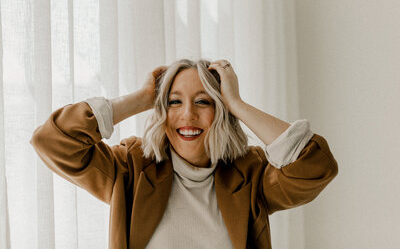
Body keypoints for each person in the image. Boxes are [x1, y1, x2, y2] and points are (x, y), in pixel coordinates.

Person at [30, 58, 338, 249]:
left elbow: (314, 165)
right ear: (161, 111)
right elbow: (53, 140)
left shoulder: (251, 173)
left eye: (203, 102)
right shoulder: (131, 168)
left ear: (220, 112)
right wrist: (140, 99)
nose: (187, 115)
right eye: (174, 102)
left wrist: (237, 104)